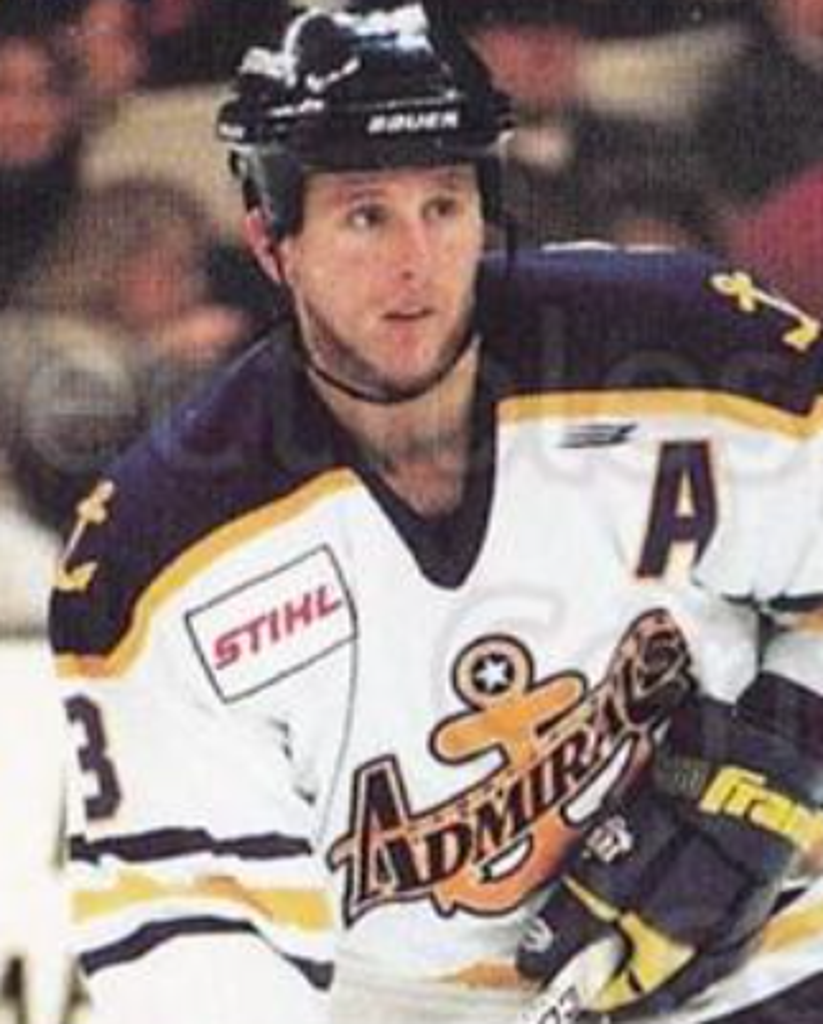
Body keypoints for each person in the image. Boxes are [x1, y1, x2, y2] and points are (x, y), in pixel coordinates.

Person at [50, 5, 823, 1024]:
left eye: (445, 206)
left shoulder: (693, 353)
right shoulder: (164, 542)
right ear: (271, 238)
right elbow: (193, 921)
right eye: (366, 215)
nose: (415, 261)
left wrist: (784, 740)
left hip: (761, 952)